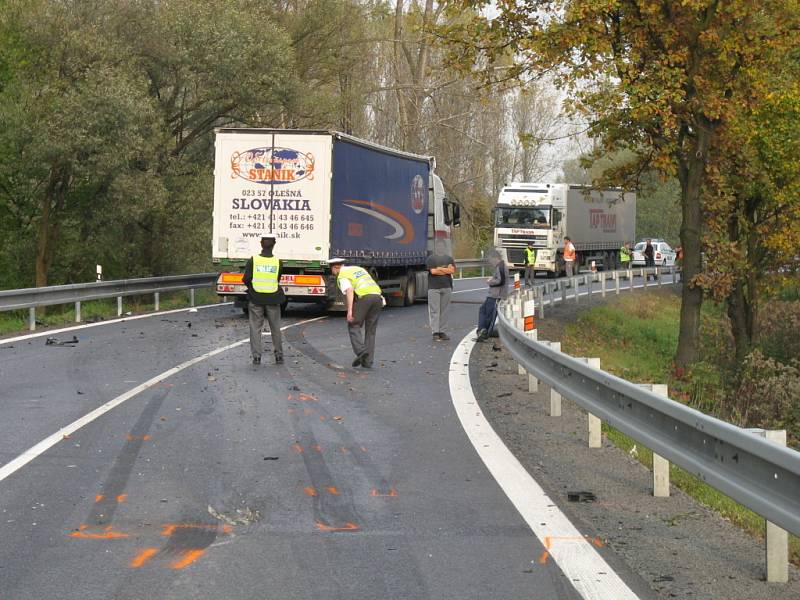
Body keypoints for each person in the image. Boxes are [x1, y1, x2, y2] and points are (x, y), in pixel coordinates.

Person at [329, 258, 383, 368]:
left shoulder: (342, 275)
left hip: (365, 297)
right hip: (378, 298)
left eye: (332, 270)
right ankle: (367, 362)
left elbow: (349, 290)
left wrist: (349, 311)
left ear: (335, 268)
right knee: (371, 330)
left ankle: (361, 351)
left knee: (353, 324)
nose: (333, 274)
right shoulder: (358, 269)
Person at [243, 236, 284, 365]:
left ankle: (256, 356)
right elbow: (277, 279)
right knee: (275, 327)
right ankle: (279, 356)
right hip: (273, 298)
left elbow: (246, 278)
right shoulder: (278, 262)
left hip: (256, 298)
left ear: (261, 244)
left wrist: (252, 288)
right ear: (274, 245)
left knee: (255, 327)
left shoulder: (253, 260)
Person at [475, 249, 509, 342]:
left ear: (495, 258)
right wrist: (493, 278)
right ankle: (481, 330)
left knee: (490, 316)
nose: (490, 262)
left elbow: (501, 281)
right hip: (493, 295)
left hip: (497, 296)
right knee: (482, 310)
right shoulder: (499, 267)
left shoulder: (501, 267)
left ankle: (484, 333)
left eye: (490, 260)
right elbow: (499, 278)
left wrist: (490, 281)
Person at [426, 240, 455, 341]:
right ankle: (435, 332)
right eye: (438, 246)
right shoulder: (431, 259)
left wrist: (439, 269)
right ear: (435, 247)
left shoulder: (449, 259)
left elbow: (452, 270)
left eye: (442, 246)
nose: (440, 248)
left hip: (447, 287)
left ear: (444, 247)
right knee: (435, 310)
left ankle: (442, 331)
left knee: (444, 311)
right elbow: (433, 271)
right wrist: (445, 270)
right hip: (434, 288)